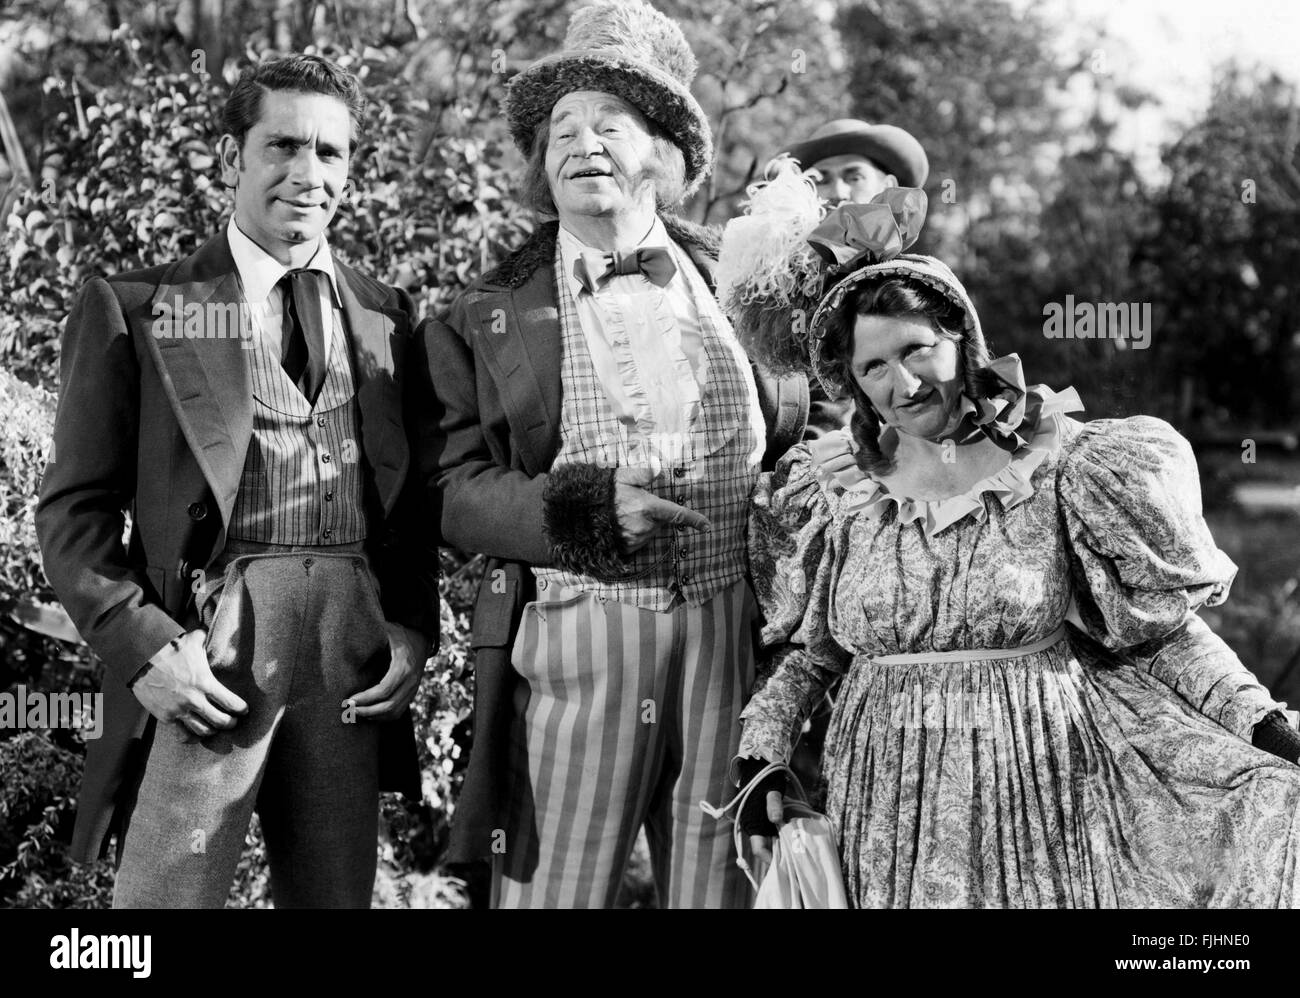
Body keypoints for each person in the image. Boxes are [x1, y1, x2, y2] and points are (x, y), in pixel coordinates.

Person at [725, 193, 1300, 907]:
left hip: (1042, 783)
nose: (902, 385)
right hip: (887, 799)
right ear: (851, 381)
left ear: (963, 339)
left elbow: (1163, 636)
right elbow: (812, 656)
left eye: (917, 350)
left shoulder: (1060, 464)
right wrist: (760, 760)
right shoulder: (835, 493)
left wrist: (1264, 724)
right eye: (874, 367)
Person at [425, 0, 806, 908]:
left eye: (610, 123)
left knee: (718, 889)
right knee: (555, 891)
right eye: (561, 127)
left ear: (664, 154)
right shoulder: (483, 313)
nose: (581, 141)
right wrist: (582, 512)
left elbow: (810, 426)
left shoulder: (742, 281)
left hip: (731, 643)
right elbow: (448, 488)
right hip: (578, 646)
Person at [36, 54, 440, 908]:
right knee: (159, 905)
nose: (309, 173)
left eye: (331, 153)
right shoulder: (141, 307)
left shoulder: (387, 315)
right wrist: (146, 648)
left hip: (347, 652)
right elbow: (73, 512)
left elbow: (412, 497)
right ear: (230, 159)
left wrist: (408, 626)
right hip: (207, 654)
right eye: (284, 145)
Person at [780, 118, 929, 208]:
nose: (838, 193)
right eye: (821, 181)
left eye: (854, 178)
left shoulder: (910, 262)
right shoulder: (780, 260)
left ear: (888, 188)